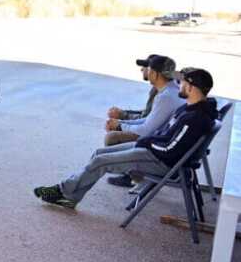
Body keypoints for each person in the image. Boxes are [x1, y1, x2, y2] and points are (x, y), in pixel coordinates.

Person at [33, 68, 218, 209]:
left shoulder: (195, 118)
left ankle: (62, 191)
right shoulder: (189, 109)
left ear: (192, 87)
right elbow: (165, 135)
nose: (179, 85)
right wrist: (148, 140)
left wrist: (147, 142)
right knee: (99, 153)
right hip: (153, 151)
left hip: (161, 160)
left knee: (100, 161)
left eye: (183, 82)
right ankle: (70, 196)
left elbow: (171, 150)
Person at [104, 55, 185, 187]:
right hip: (162, 137)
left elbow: (146, 129)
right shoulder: (171, 90)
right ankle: (131, 173)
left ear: (155, 73)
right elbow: (148, 117)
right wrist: (121, 123)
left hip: (157, 144)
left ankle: (133, 177)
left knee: (111, 138)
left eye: (148, 68)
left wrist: (121, 123)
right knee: (113, 136)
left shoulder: (165, 96)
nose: (143, 70)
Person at [105, 55, 160, 146]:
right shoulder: (158, 89)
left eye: (145, 67)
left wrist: (121, 118)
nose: (141, 70)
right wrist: (123, 114)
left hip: (150, 135)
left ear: (154, 72)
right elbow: (147, 113)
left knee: (111, 137)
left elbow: (145, 119)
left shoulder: (160, 93)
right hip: (148, 129)